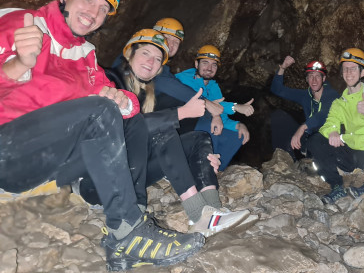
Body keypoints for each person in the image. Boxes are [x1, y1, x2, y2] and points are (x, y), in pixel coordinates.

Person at [0, 0, 203, 271]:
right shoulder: (19, 24)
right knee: (100, 111)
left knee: (126, 115)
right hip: (9, 153)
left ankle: (130, 227)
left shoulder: (87, 55)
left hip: (52, 162)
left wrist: (123, 101)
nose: (93, 13)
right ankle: (128, 232)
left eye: (103, 8)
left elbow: (127, 108)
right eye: (87, 0)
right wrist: (17, 66)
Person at [79, 29, 250, 237]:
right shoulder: (107, 81)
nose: (151, 62)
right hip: (97, 184)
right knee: (163, 127)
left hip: (132, 177)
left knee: (199, 139)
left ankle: (213, 210)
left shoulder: (146, 93)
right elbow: (123, 128)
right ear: (130, 53)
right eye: (145, 53)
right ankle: (198, 214)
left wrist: (198, 160)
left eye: (158, 59)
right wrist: (182, 112)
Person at [307, 48, 364, 204]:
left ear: (362, 73)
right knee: (315, 139)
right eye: (345, 69)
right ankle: (336, 186)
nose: (348, 73)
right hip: (350, 156)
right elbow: (330, 122)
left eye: (353, 68)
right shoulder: (340, 103)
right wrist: (333, 131)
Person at [176, 45, 254, 170]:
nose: (209, 68)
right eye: (205, 63)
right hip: (180, 129)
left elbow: (220, 114)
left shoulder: (213, 87)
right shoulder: (183, 79)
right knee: (208, 121)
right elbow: (198, 102)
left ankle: (217, 170)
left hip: (199, 127)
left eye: (214, 65)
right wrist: (235, 107)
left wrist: (238, 125)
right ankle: (200, 169)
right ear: (196, 64)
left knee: (236, 135)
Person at [270, 56, 339, 160]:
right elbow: (277, 89)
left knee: (313, 138)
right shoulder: (305, 96)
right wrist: (283, 68)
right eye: (311, 76)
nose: (314, 80)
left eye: (318, 76)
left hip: (329, 138)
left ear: (323, 79)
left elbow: (324, 115)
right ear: (307, 79)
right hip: (310, 137)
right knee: (279, 117)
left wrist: (302, 128)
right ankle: (285, 161)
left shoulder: (332, 95)